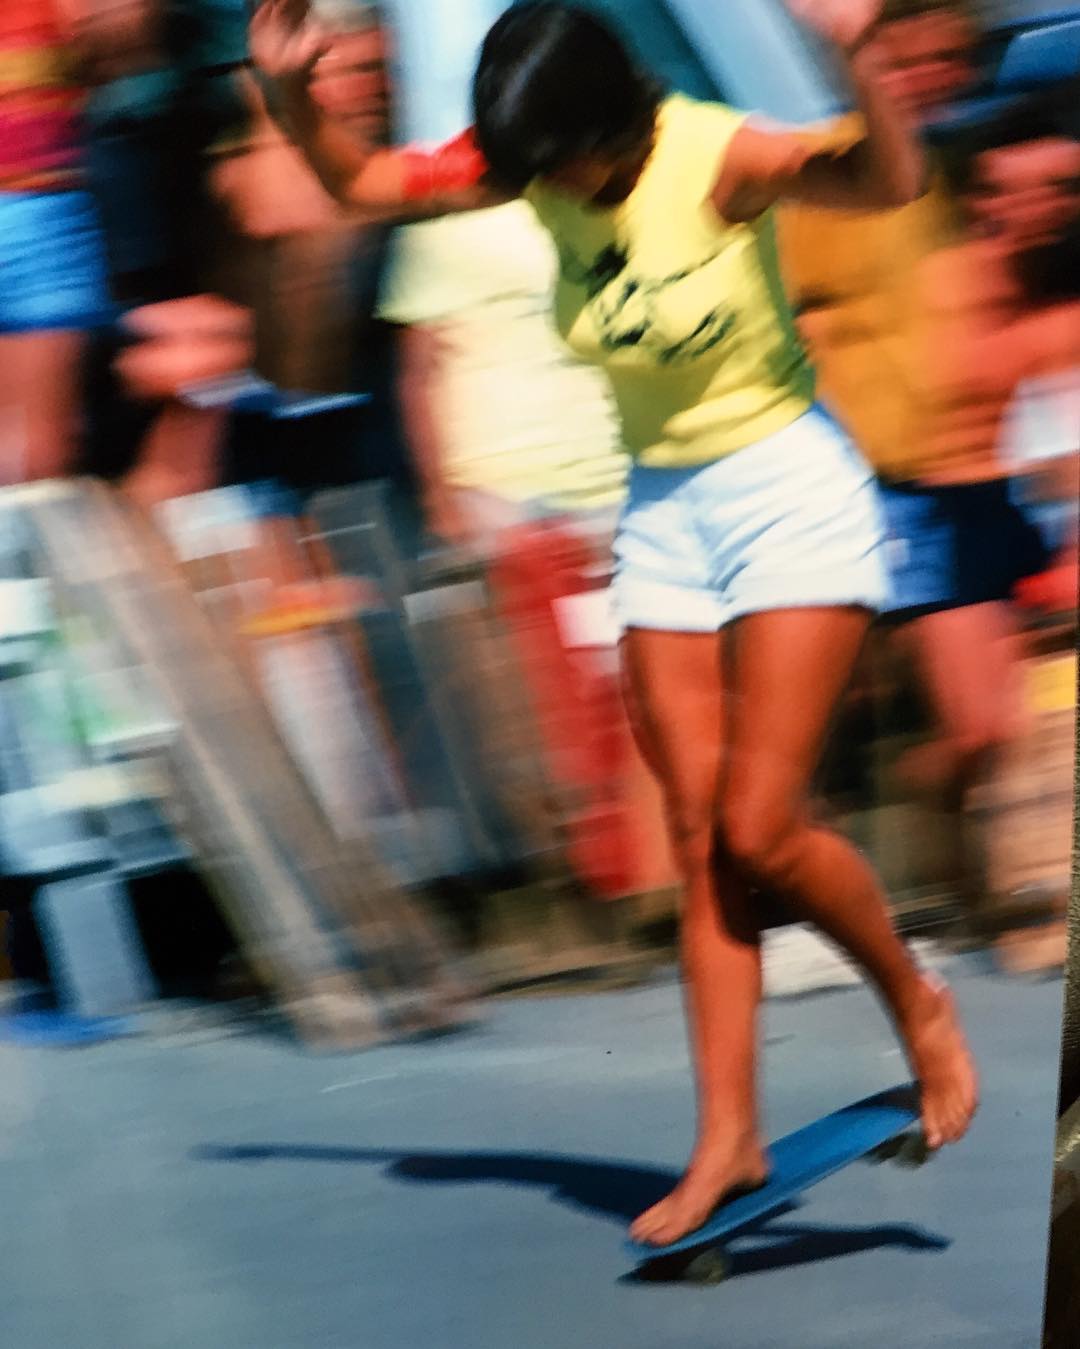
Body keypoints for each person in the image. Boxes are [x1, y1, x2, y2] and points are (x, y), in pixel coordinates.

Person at [251, 0, 978, 1246]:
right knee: (699, 839)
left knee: (761, 825)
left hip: (789, 493)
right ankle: (727, 1140)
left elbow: (886, 179)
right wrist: (286, 98)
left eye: (557, 164)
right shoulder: (538, 162)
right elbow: (365, 184)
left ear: (607, 122)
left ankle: (915, 998)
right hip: (663, 509)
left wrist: (857, 60)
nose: (541, 189)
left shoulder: (723, 156)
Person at [777, 0, 1075, 941]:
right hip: (901, 487)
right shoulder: (827, 169)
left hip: (1001, 484)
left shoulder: (985, 159)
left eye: (946, 58)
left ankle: (975, 870)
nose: (928, 77)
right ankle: (929, 853)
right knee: (975, 727)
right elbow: (791, 325)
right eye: (907, 59)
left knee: (1005, 723)